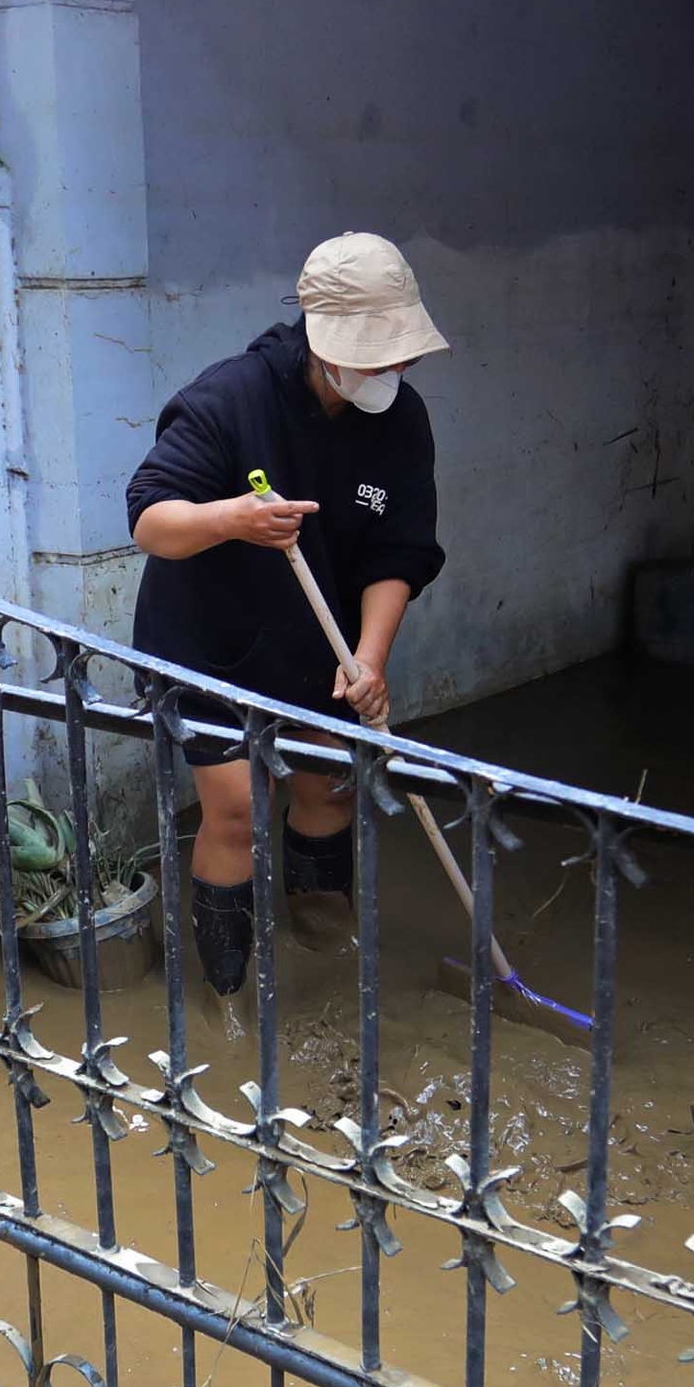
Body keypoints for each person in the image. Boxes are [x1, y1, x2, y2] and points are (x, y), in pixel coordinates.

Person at [127, 233, 451, 996]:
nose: (394, 371)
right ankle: (229, 996)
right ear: (323, 338)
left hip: (320, 638)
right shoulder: (232, 398)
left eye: (400, 354)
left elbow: (397, 554)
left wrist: (368, 660)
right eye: (378, 355)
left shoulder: (401, 422)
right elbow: (149, 519)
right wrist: (232, 518)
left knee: (327, 784)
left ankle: (320, 944)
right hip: (209, 642)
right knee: (238, 809)